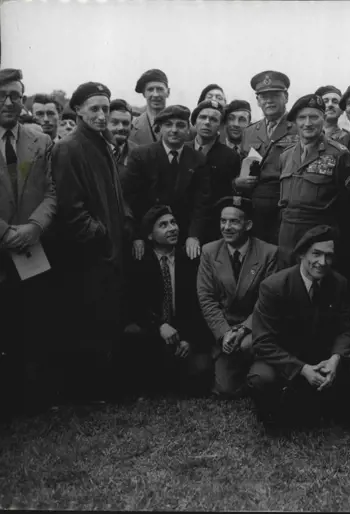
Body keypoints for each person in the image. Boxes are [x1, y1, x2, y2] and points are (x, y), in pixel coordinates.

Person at [50, 81, 131, 403]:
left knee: (106, 318)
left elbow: (113, 194)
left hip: (109, 248)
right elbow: (70, 208)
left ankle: (103, 387)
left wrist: (120, 228)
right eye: (94, 109)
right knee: (87, 320)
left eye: (105, 109)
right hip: (87, 254)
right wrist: (99, 236)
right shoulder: (68, 147)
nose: (101, 115)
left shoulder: (99, 142)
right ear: (79, 110)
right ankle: (89, 391)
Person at [247, 225, 350, 428]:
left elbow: (345, 329)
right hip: (284, 359)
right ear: (301, 254)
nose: (322, 262)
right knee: (261, 378)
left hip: (321, 358)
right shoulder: (274, 286)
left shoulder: (339, 283)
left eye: (328, 256)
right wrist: (301, 369)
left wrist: (334, 359)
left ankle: (327, 410)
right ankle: (279, 416)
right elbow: (262, 342)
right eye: (316, 254)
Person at [0, 68, 57, 414]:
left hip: (31, 248)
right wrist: (5, 232)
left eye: (16, 96)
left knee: (30, 321)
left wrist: (34, 227)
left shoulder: (40, 140)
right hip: (4, 241)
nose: (9, 102)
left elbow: (52, 191)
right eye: (2, 95)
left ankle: (30, 398)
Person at [126, 205, 213, 397]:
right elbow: (136, 305)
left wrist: (188, 339)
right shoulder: (141, 262)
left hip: (183, 333)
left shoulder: (190, 260)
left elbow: (198, 306)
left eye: (173, 223)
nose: (172, 228)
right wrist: (159, 326)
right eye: (163, 225)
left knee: (201, 370)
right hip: (155, 332)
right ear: (150, 235)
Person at [197, 196, 279, 397]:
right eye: (223, 221)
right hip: (225, 331)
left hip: (254, 328)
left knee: (260, 374)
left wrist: (243, 330)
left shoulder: (269, 253)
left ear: (248, 225)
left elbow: (267, 302)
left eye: (234, 221)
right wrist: (225, 333)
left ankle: (259, 366)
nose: (227, 227)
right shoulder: (209, 252)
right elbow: (206, 298)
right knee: (225, 389)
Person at [277, 93, 350, 271]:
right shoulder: (286, 155)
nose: (308, 123)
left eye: (314, 117)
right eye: (302, 118)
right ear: (294, 122)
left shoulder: (339, 155)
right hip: (287, 242)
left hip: (318, 242)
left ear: (323, 119)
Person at [121, 105, 212, 262]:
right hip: (147, 235)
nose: (174, 130)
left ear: (189, 130)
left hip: (182, 235)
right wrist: (137, 237)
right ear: (159, 129)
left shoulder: (198, 160)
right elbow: (130, 200)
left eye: (180, 125)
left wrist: (194, 236)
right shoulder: (142, 156)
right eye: (168, 125)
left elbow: (201, 203)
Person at [239, 70, 299, 245]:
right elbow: (242, 167)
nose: (269, 101)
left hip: (286, 206)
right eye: (264, 96)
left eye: (275, 95)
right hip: (256, 208)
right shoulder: (250, 132)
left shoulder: (298, 128)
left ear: (286, 97)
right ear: (257, 100)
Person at [189, 99, 241, 243]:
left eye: (213, 119)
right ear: (194, 121)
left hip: (214, 228)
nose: (207, 122)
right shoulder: (182, 150)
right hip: (183, 224)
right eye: (202, 117)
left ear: (220, 125)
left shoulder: (230, 157)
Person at [129, 68, 170, 146]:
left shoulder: (186, 128)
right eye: (150, 89)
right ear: (144, 94)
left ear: (168, 92)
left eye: (160, 89)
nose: (155, 94)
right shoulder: (131, 128)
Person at [107, 98, 137, 175]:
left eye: (125, 123)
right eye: (115, 122)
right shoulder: (91, 150)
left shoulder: (138, 154)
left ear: (132, 127)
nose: (120, 128)